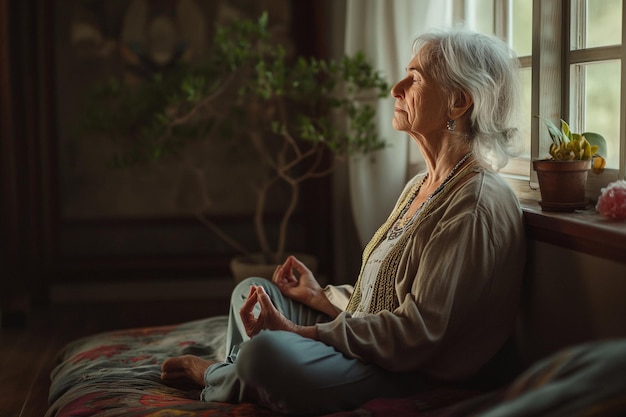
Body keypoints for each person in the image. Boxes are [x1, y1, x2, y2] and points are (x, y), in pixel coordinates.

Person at [161, 27, 526, 416]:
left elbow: (417, 335)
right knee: (249, 291)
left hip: (410, 371)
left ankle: (221, 377)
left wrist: (300, 332)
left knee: (265, 353)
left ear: (458, 102)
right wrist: (319, 296)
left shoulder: (474, 205)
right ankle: (242, 379)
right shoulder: (421, 184)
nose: (396, 88)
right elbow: (381, 301)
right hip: (379, 349)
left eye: (415, 78)